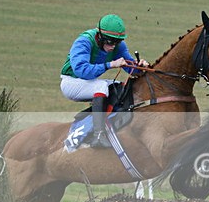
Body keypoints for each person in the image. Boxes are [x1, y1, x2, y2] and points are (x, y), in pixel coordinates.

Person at [59, 14, 148, 147]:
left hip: (88, 83)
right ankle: (98, 135)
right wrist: (110, 64)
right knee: (101, 87)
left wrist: (140, 67)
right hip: (71, 83)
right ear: (99, 36)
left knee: (121, 87)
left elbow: (130, 69)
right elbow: (82, 71)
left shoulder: (118, 46)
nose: (113, 46)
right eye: (110, 42)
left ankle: (112, 123)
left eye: (117, 42)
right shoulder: (84, 42)